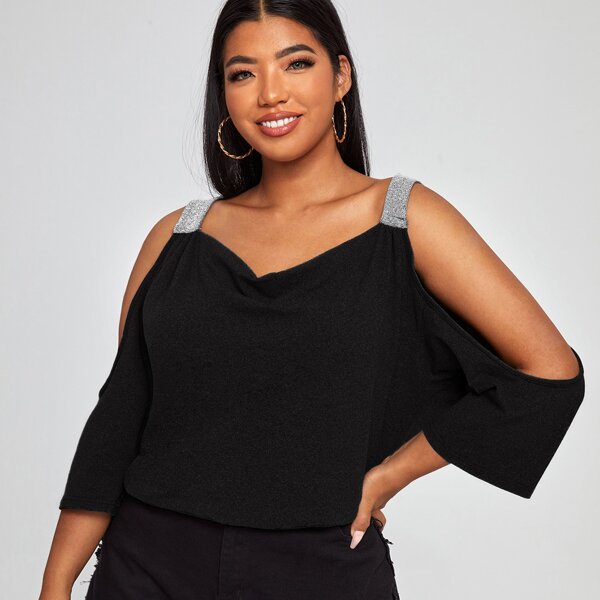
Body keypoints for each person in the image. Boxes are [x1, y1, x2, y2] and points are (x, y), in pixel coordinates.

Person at [39, 1, 585, 599]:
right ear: (224, 95)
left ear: (341, 76)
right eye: (243, 73)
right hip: (148, 567)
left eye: (295, 63)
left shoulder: (405, 222)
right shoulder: (176, 238)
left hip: (323, 571)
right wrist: (56, 584)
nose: (270, 93)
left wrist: (390, 475)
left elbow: (550, 372)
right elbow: (119, 423)